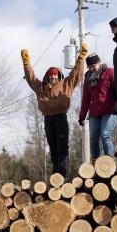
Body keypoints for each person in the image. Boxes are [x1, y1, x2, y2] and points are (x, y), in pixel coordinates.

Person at [21, 42, 88, 177]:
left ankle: (63, 175)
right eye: (51, 75)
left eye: (55, 75)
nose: (53, 77)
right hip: (48, 119)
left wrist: (81, 57)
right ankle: (56, 175)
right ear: (48, 76)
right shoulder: (41, 87)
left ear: (59, 76)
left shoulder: (66, 84)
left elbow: (77, 73)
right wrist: (26, 63)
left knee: (62, 148)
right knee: (53, 148)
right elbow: (31, 78)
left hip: (61, 118)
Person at [78, 53, 117, 158]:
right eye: (90, 67)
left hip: (110, 110)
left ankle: (110, 160)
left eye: (94, 65)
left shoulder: (110, 73)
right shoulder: (88, 78)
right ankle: (96, 162)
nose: (92, 68)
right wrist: (82, 116)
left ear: (99, 62)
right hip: (95, 113)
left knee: (105, 135)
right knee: (93, 138)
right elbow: (86, 99)